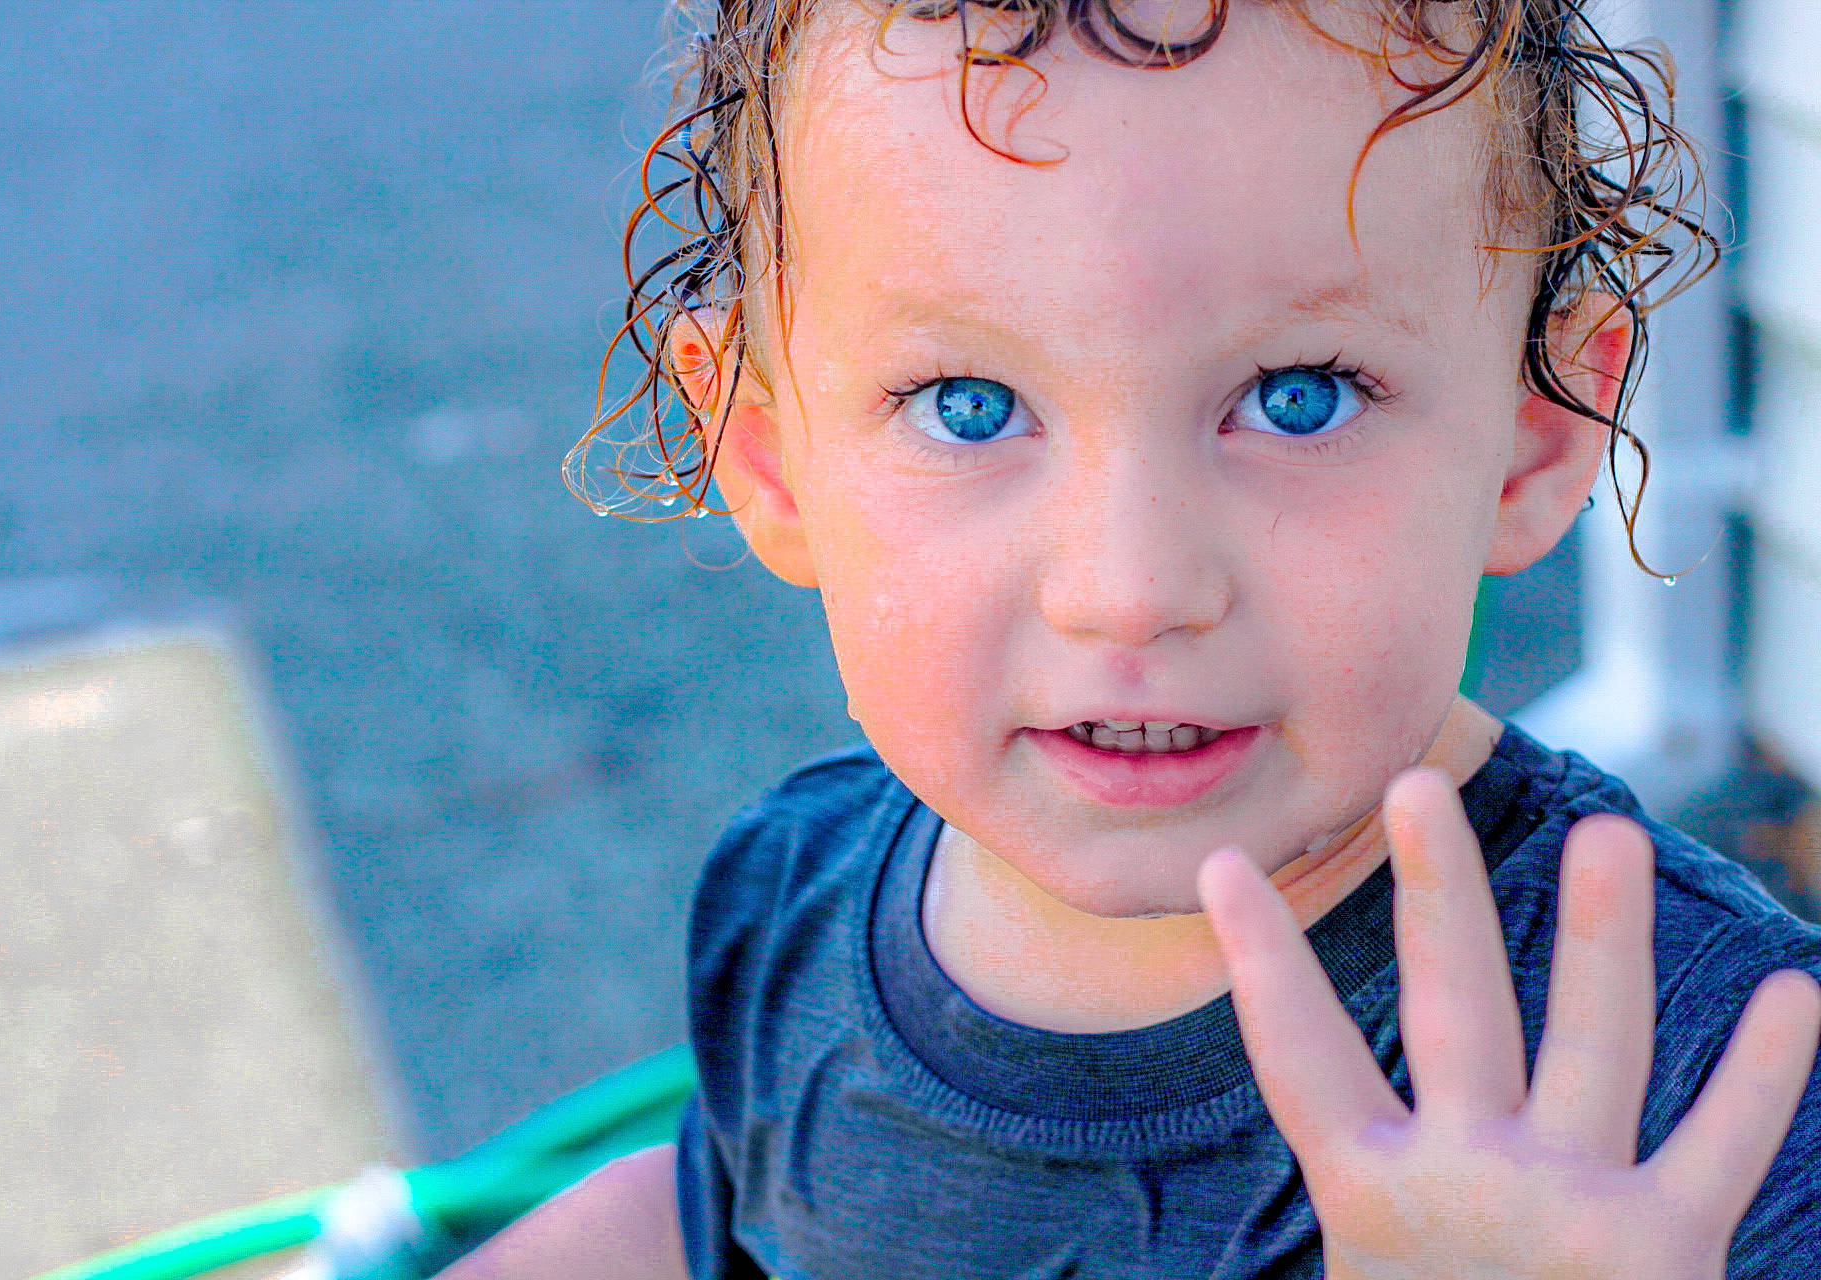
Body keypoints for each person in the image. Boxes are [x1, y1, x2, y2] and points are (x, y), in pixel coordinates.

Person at [449, 1, 1821, 1275]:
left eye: (1297, 398)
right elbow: (722, 1220)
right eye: (968, 406)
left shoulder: (1701, 1096)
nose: (1130, 587)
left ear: (1535, 434)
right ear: (766, 453)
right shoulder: (790, 894)